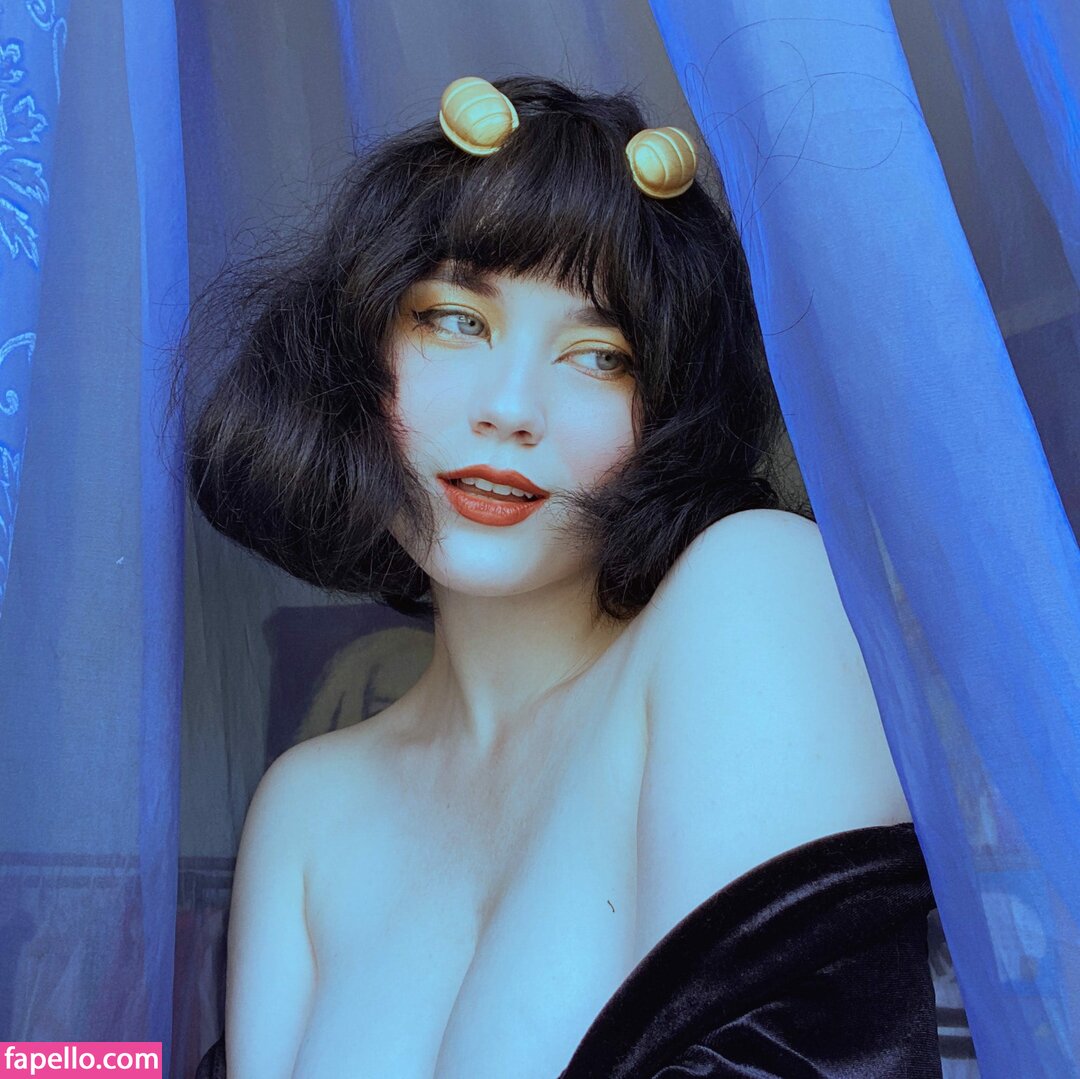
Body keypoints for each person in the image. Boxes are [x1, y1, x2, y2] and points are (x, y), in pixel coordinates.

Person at [181, 75, 941, 1078]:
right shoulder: (307, 808)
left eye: (600, 355)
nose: (510, 407)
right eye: (455, 320)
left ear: (669, 413)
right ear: (357, 354)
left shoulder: (754, 589)